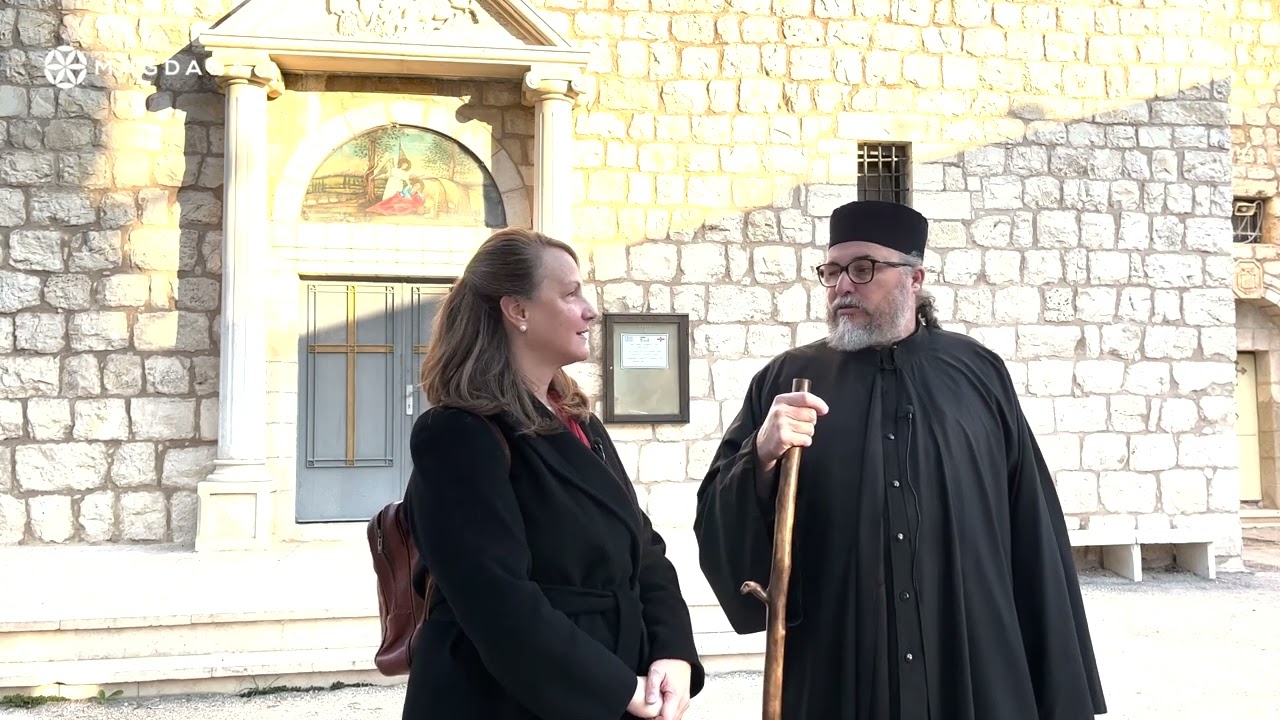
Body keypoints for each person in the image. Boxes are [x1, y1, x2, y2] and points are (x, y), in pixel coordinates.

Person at [692, 200, 1107, 720]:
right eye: (833, 271)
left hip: (970, 659)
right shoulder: (787, 380)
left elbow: (1032, 529)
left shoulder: (978, 374)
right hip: (841, 665)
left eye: (863, 269)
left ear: (915, 278)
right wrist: (761, 455)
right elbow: (714, 516)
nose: (843, 285)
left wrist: (1057, 683)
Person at [402, 227, 705, 720]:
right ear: (517, 310)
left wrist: (671, 650)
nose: (590, 310)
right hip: (506, 701)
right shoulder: (457, 434)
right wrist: (614, 688)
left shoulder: (578, 421)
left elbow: (643, 549)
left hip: (615, 680)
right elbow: (496, 600)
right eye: (569, 294)